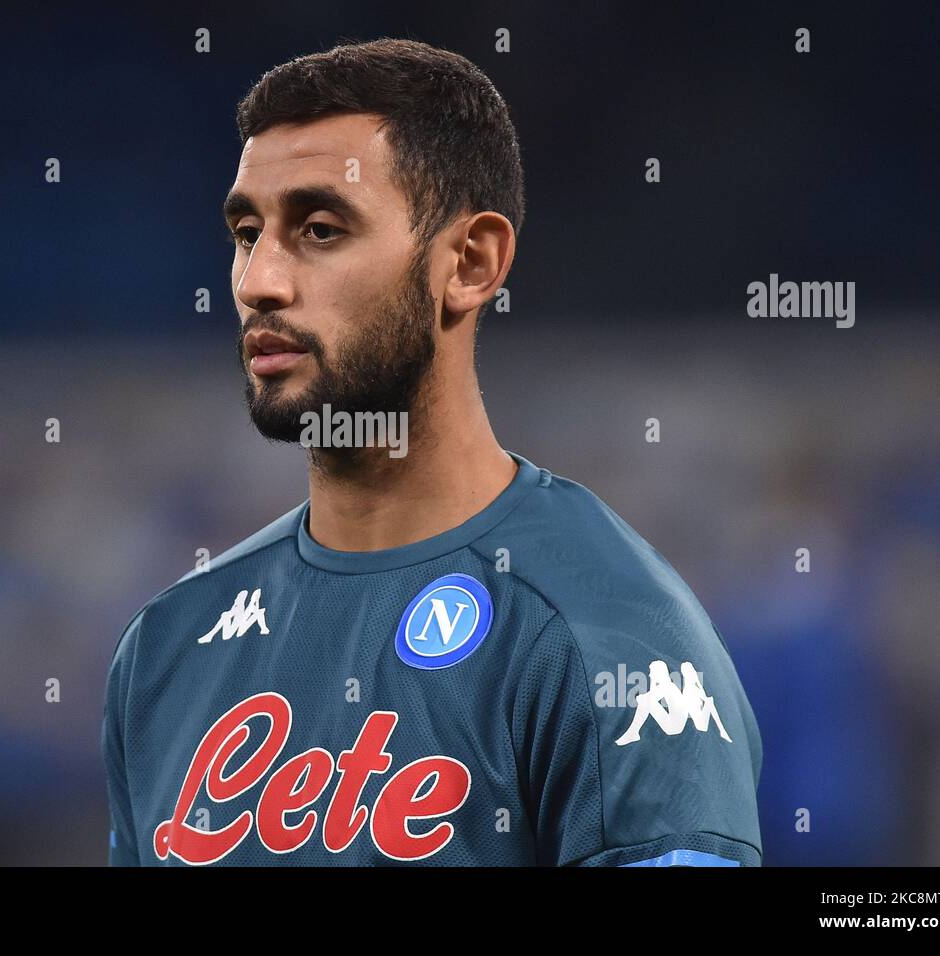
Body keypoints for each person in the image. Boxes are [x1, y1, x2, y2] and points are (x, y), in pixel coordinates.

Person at [103, 38, 762, 866]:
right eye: (246, 231)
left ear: (470, 264)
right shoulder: (167, 645)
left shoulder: (608, 636)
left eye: (318, 228)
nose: (258, 281)